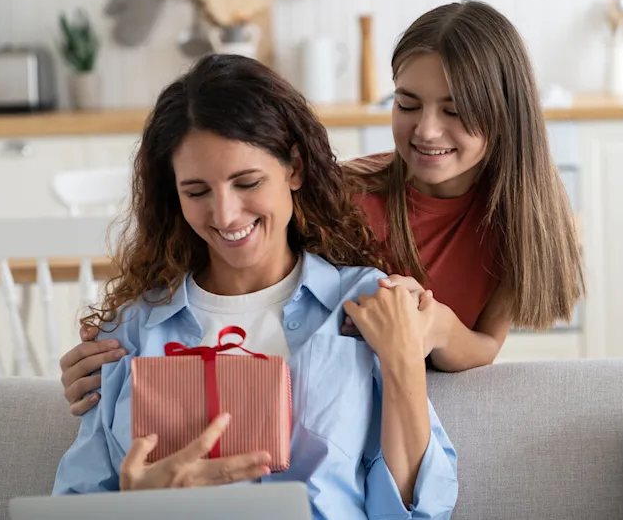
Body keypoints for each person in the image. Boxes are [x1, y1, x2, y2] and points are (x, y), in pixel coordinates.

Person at [59, 0, 584, 414]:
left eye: (455, 110)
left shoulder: (527, 221)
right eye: (406, 104)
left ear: (506, 113)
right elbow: (235, 278)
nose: (425, 130)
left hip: (417, 409)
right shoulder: (350, 194)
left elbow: (486, 343)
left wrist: (438, 328)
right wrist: (124, 346)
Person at [51, 53, 458, 519]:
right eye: (197, 191)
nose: (224, 215)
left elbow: (421, 511)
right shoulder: (131, 334)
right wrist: (140, 506)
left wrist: (403, 363)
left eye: (246, 182)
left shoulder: (363, 307)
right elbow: (73, 506)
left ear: (295, 169)